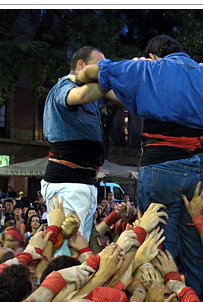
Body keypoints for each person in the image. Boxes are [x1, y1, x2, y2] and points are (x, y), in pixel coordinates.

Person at [76, 34, 203, 298]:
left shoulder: (148, 68)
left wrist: (80, 76)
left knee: (160, 246)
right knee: (197, 246)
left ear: (152, 55)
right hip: (201, 169)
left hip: (162, 167)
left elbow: (93, 71)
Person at [41, 46, 120, 250]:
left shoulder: (93, 92)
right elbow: (77, 97)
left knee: (80, 247)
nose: (102, 71)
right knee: (66, 251)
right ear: (81, 65)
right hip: (68, 182)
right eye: (99, 66)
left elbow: (120, 96)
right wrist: (111, 77)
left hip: (83, 182)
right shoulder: (63, 87)